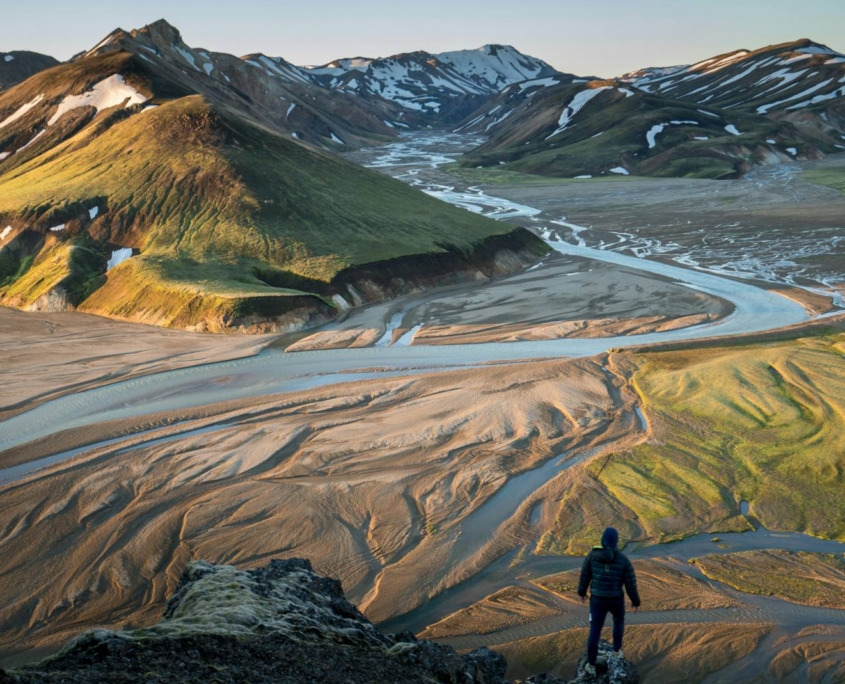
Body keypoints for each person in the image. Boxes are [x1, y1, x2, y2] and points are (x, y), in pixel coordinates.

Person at [577, 527, 640, 676]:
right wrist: (635, 602)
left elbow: (584, 576)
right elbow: (630, 584)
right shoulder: (623, 560)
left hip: (597, 600)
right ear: (616, 541)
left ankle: (591, 665)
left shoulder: (592, 556)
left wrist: (581, 593)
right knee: (618, 622)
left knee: (595, 631)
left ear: (603, 540)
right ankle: (616, 651)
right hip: (616, 599)